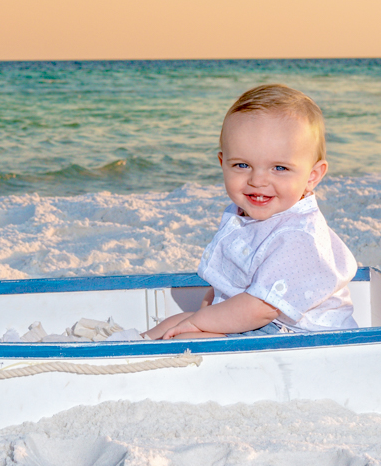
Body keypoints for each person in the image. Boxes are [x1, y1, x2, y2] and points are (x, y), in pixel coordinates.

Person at [145, 84, 357, 339]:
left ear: (312, 176)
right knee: (175, 322)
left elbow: (261, 309)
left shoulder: (300, 236)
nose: (257, 180)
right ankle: (126, 346)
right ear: (223, 163)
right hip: (257, 318)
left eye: (279, 168)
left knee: (188, 336)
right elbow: (229, 281)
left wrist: (200, 322)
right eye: (242, 165)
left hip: (300, 336)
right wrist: (205, 312)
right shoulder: (244, 215)